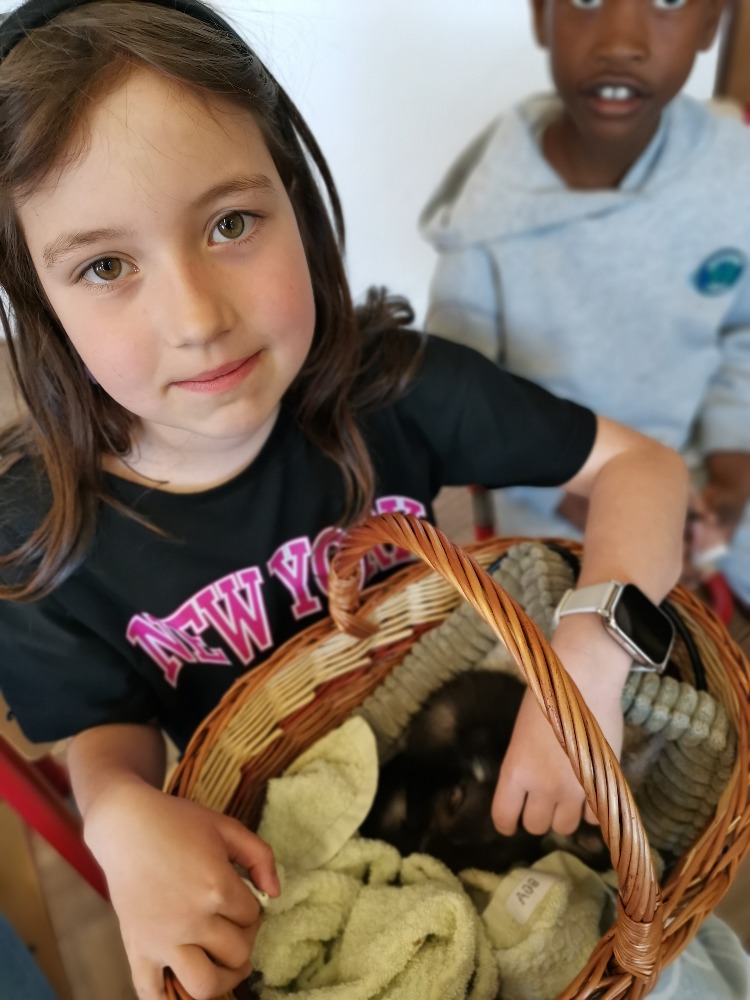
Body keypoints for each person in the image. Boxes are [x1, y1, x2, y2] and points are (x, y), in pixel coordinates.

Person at [0, 2, 690, 997]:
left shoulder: (394, 388)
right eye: (106, 266)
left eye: (231, 223)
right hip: (287, 848)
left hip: (476, 750)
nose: (196, 319)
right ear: (38, 299)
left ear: (297, 198)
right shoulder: (32, 536)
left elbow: (644, 471)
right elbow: (106, 726)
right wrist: (112, 810)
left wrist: (588, 659)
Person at [420, 0, 750, 609]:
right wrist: (588, 502)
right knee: (570, 647)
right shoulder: (484, 215)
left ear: (711, 24)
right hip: (553, 485)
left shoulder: (734, 169)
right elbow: (462, 401)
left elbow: (742, 332)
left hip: (701, 466)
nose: (621, 42)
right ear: (541, 15)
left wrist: (731, 477)